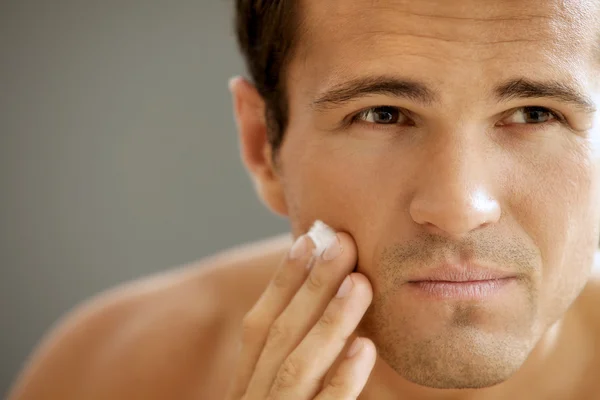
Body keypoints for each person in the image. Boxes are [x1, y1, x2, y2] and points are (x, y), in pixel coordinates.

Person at [8, 0, 600, 399]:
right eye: (382, 114)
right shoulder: (111, 372)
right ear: (264, 145)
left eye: (535, 114)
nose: (458, 207)